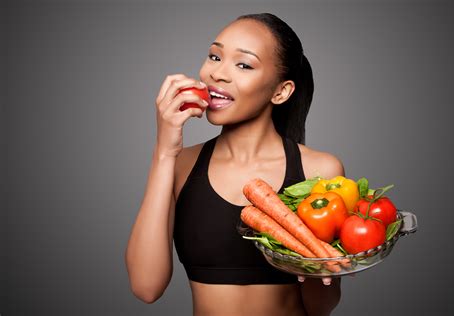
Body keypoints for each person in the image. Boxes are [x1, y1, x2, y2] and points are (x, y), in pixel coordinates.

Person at [125, 13, 344, 316]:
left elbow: (320, 307)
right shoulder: (180, 165)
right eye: (215, 56)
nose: (218, 74)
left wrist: (311, 254)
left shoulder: (320, 171)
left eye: (243, 64)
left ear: (281, 91)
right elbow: (145, 287)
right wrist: (164, 151)